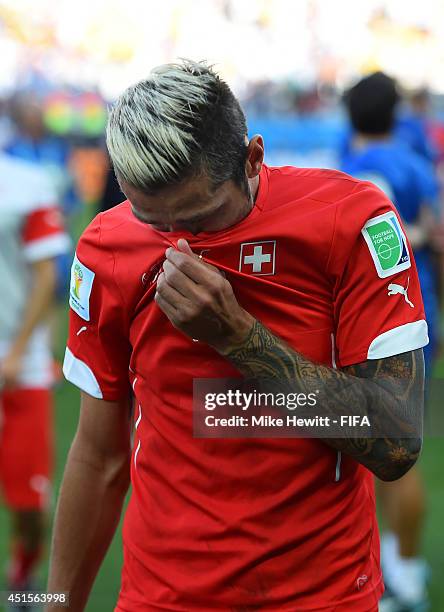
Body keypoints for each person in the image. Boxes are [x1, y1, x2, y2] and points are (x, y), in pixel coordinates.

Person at [48, 60, 428, 612]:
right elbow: (98, 456)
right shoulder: (107, 247)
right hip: (162, 597)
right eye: (156, 223)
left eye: (200, 221)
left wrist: (239, 337)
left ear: (252, 159)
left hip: (322, 597)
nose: (179, 246)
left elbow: (395, 441)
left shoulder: (350, 221)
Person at [340, 72, 443, 612]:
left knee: (379, 448)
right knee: (399, 448)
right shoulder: (417, 169)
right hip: (411, 316)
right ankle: (400, 571)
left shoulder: (338, 174)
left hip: (357, 326)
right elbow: (439, 239)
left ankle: (393, 575)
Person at [0, 152, 70, 599]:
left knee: (30, 503)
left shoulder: (26, 184)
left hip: (18, 368)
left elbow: (48, 278)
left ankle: (25, 576)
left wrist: (20, 352)